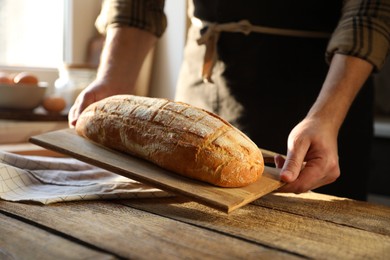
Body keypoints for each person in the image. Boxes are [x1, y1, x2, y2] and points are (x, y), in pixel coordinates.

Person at [69, 0, 390, 200]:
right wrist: (113, 80)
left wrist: (326, 116)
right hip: (205, 79)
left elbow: (370, 11)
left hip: (322, 90)